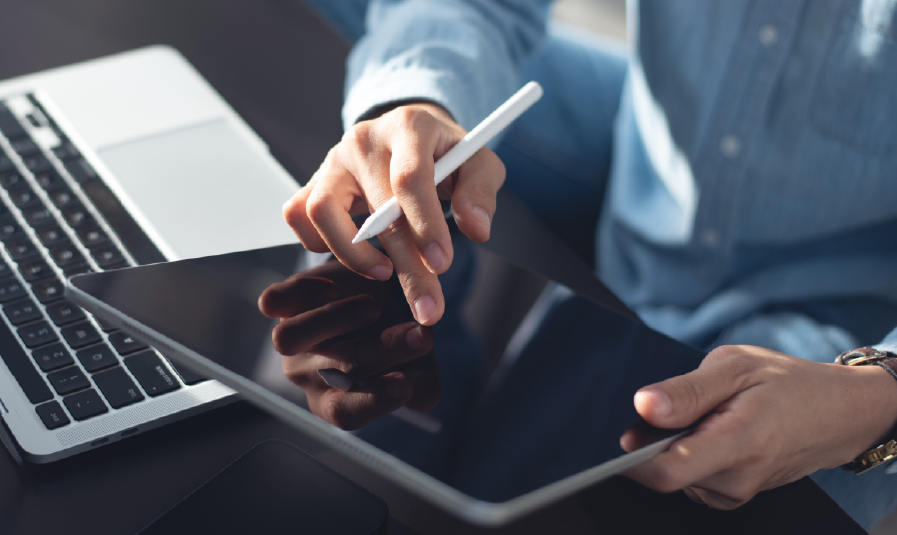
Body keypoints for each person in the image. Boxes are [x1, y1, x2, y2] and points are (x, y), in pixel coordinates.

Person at [283, 0, 897, 528]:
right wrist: (414, 100)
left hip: (853, 315)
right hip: (657, 134)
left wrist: (874, 399)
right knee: (404, 149)